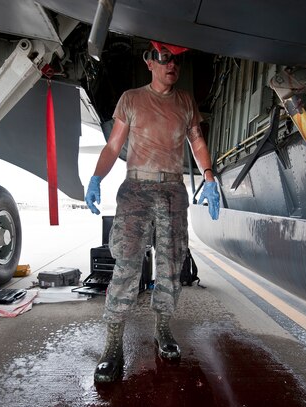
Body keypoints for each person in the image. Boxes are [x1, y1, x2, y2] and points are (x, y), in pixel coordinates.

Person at [85, 40, 220, 383]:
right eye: (164, 58)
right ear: (149, 62)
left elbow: (197, 142)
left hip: (173, 190)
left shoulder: (186, 101)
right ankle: (112, 346)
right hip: (137, 189)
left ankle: (163, 330)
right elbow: (114, 145)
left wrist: (209, 177)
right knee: (128, 263)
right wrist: (97, 177)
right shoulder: (131, 99)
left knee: (171, 264)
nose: (171, 65)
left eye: (176, 59)